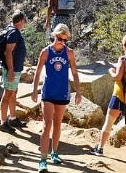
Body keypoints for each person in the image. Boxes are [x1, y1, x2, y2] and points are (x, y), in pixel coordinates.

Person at [31, 23, 82, 172]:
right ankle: (43, 159)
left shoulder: (69, 52)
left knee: (58, 124)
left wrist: (78, 91)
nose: (62, 42)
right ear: (54, 35)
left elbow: (74, 72)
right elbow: (38, 71)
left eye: (65, 40)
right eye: (60, 38)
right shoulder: (45, 52)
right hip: (48, 92)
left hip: (62, 92)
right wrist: (35, 91)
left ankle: (55, 152)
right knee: (47, 125)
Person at [90, 33, 126, 162]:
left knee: (109, 121)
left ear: (124, 46)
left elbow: (118, 77)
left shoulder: (123, 59)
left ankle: (100, 148)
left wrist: (110, 71)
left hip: (120, 96)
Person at [0, 10, 28, 133]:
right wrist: (10, 69)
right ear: (21, 21)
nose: (24, 23)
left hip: (15, 68)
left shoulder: (13, 31)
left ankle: (13, 118)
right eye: (24, 21)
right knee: (8, 94)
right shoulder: (13, 33)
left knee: (13, 92)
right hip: (11, 69)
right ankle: (3, 122)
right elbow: (8, 51)